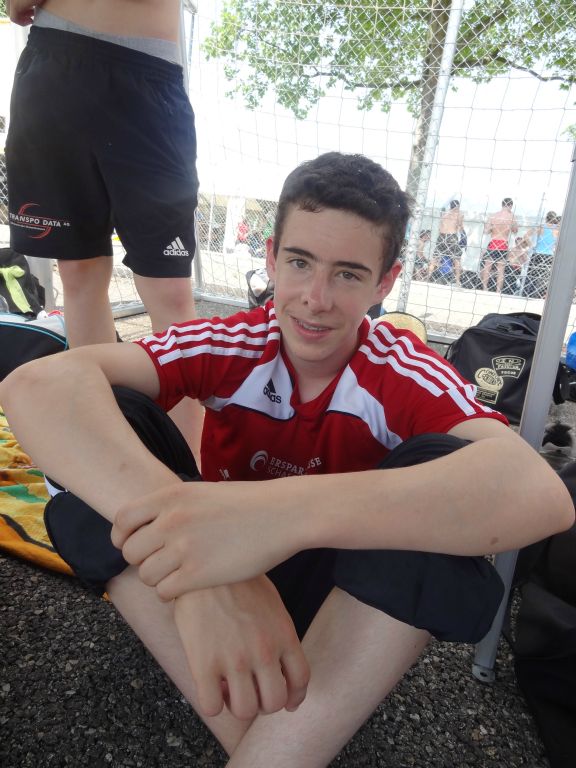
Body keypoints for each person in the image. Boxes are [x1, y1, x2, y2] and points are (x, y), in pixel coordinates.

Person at [1, 152, 573, 768]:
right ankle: (288, 738)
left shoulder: (399, 367)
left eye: (348, 274)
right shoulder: (235, 341)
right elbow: (38, 385)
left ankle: (271, 738)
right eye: (300, 263)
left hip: (340, 601)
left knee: (448, 473)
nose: (315, 299)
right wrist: (211, 566)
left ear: (385, 283)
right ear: (272, 259)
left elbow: (537, 491)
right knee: (99, 442)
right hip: (206, 571)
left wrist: (268, 518)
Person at [5, 0, 202, 455]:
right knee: (79, 274)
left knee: (171, 293)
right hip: (56, 59)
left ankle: (190, 470)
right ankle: (105, 454)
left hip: (148, 72)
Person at [481, 198, 518, 292]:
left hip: (493, 242)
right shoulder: (512, 217)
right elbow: (515, 231)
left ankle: (485, 288)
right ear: (510, 206)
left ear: (502, 205)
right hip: (503, 243)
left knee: (487, 267)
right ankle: (498, 291)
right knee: (501, 270)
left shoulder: (493, 216)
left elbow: (486, 231)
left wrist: (493, 228)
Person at [523, 211, 561, 299]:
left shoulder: (541, 227)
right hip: (549, 255)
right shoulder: (557, 230)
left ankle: (528, 294)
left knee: (532, 275)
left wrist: (531, 245)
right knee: (545, 278)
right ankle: (540, 296)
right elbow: (558, 243)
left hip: (537, 253)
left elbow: (525, 236)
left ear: (546, 218)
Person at [428, 200, 464, 287]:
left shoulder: (444, 214)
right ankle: (457, 281)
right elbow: (460, 228)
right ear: (457, 207)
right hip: (451, 237)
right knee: (457, 259)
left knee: (435, 258)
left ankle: (428, 277)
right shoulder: (459, 214)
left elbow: (440, 228)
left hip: (442, 236)